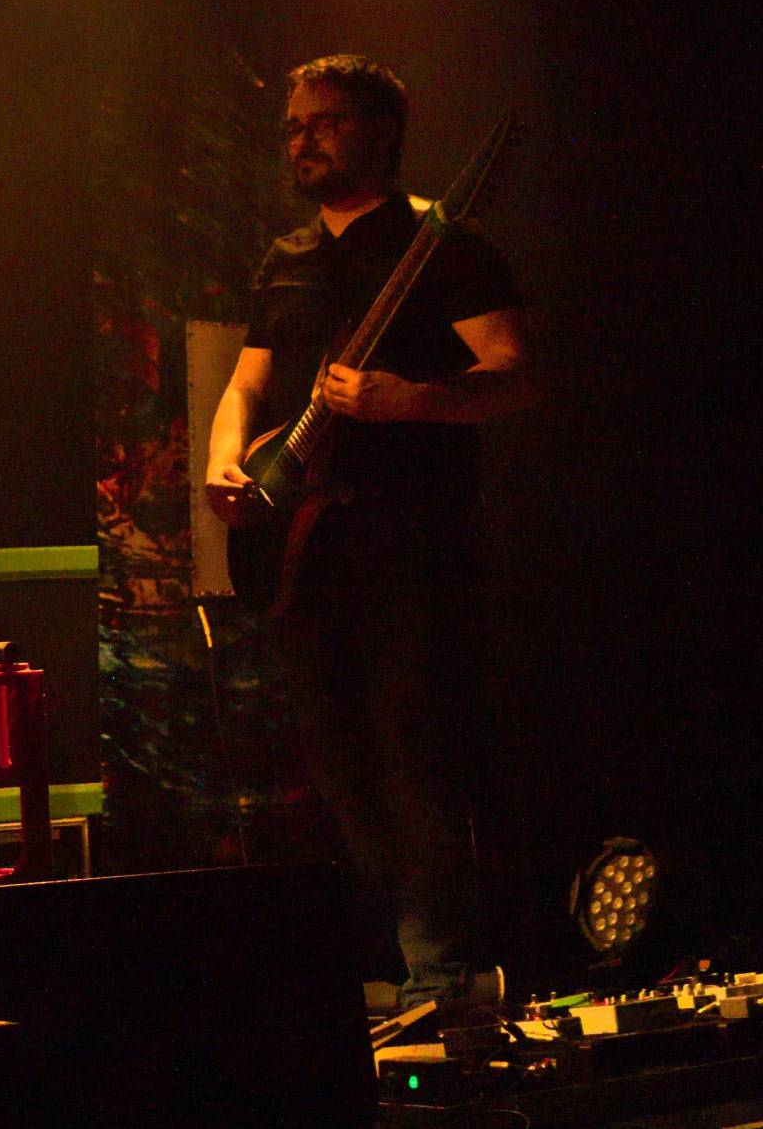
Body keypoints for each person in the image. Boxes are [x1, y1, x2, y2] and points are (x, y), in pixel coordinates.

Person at [206, 55, 536, 1011]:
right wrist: (224, 459)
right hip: (306, 555)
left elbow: (516, 371)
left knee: (414, 759)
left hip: (411, 550)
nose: (302, 140)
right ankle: (383, 968)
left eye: (325, 122)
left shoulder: (445, 244)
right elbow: (247, 382)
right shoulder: (286, 256)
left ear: (381, 131)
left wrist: (411, 400)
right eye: (293, 126)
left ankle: (445, 971)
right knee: (339, 771)